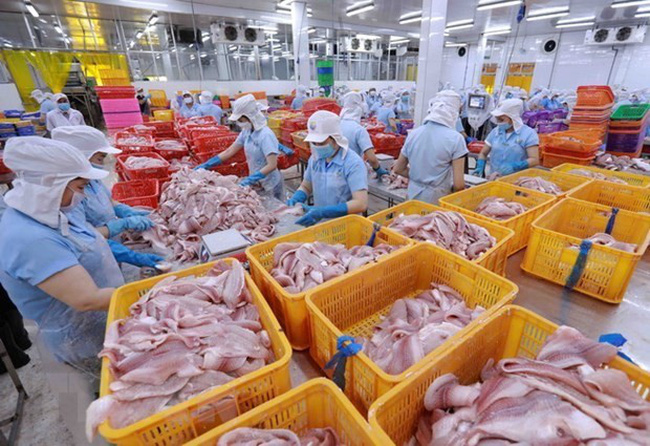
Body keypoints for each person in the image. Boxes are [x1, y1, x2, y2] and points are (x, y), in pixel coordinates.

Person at [0, 137, 124, 376]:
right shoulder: (29, 237)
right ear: (51, 184)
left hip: (100, 324)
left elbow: (85, 243)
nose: (84, 196)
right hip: (79, 341)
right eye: (80, 187)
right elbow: (87, 299)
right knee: (102, 386)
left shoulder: (53, 212)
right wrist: (151, 294)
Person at [51, 126, 162, 269]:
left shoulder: (92, 179)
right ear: (83, 156)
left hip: (110, 244)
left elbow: (107, 199)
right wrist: (124, 225)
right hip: (93, 255)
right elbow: (82, 237)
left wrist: (125, 210)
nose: (102, 163)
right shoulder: (68, 193)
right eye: (100, 158)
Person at [287, 111, 368, 227]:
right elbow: (306, 186)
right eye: (314, 143)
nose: (317, 147)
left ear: (335, 139)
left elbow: (361, 203)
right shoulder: (315, 159)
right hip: (320, 224)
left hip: (346, 226)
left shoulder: (353, 163)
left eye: (321, 142)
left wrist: (323, 212)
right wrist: (297, 197)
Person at [195, 94, 285, 200]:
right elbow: (230, 150)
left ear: (249, 117)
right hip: (257, 182)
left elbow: (272, 165)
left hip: (270, 184)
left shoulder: (265, 135)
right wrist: (208, 164)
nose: (239, 123)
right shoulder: (246, 131)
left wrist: (251, 179)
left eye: (241, 120)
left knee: (275, 211)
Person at [393, 90, 467, 204]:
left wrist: (418, 178)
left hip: (413, 194)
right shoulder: (456, 139)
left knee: (411, 220)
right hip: (437, 197)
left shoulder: (414, 134)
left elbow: (398, 168)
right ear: (454, 112)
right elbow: (459, 184)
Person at [475, 98, 540, 178]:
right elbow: (483, 153)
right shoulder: (495, 132)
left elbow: (534, 160)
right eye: (497, 119)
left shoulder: (528, 134)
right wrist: (480, 165)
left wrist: (515, 166)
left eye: (501, 119)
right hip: (493, 178)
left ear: (513, 118)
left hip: (516, 180)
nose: (498, 122)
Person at [339, 92, 389, 178]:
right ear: (359, 108)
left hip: (335, 172)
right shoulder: (359, 130)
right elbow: (372, 159)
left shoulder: (336, 125)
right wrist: (378, 169)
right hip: (352, 172)